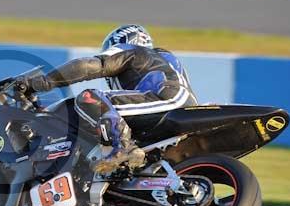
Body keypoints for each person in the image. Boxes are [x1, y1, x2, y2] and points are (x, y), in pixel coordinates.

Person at [19, 24, 198, 173]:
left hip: (166, 99)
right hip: (181, 108)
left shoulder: (133, 49)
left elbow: (87, 67)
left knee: (89, 98)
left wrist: (42, 82)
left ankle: (122, 146)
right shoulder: (167, 60)